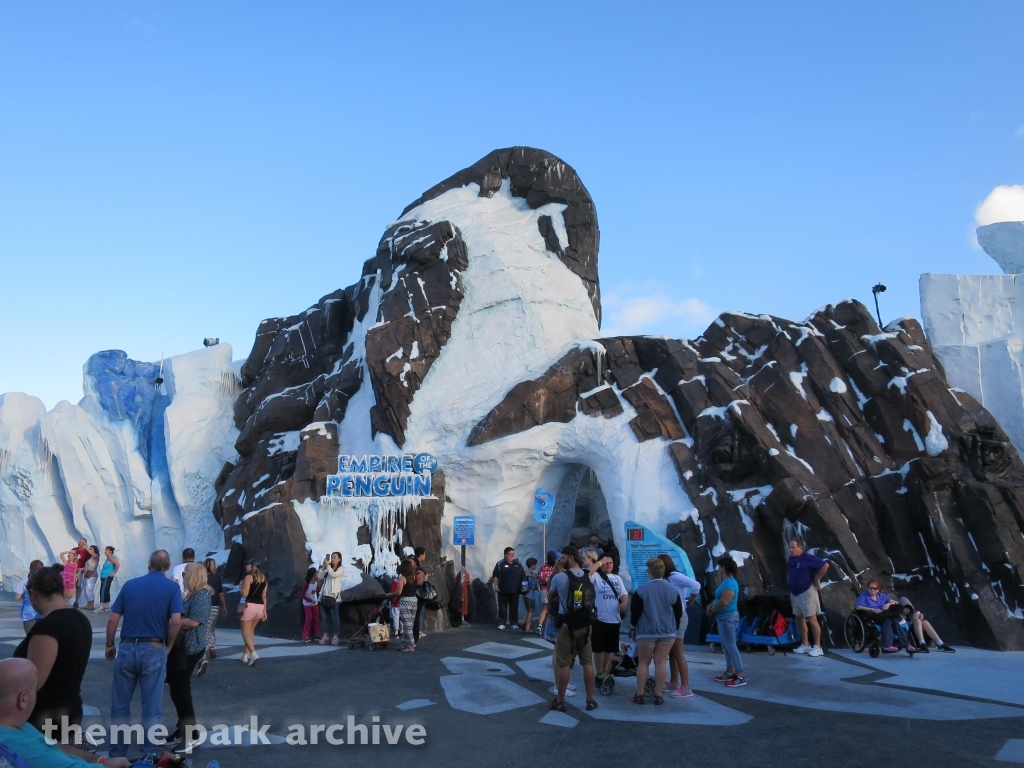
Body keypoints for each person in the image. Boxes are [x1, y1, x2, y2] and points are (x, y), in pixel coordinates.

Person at [104, 550, 183, 760]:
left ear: (149, 564)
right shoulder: (172, 588)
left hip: (128, 647)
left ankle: (116, 754)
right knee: (151, 706)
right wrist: (168, 646)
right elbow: (176, 621)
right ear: (167, 566)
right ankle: (147, 754)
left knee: (120, 705)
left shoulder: (130, 585)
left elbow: (113, 619)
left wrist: (110, 645)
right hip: (154, 647)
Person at [0, 658, 131, 768]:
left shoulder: (17, 725)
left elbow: (55, 747)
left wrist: (103, 761)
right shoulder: (19, 746)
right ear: (23, 699)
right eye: (35, 688)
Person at [12, 566, 92, 733]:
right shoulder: (80, 619)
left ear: (33, 593)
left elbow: (34, 682)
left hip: (45, 716)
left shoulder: (48, 627)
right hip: (70, 708)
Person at [166, 564, 211, 750]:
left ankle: (190, 734)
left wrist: (172, 621)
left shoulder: (201, 595)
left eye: (185, 574)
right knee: (178, 689)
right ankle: (183, 728)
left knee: (181, 690)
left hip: (189, 649)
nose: (183, 576)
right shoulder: (194, 594)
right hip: (186, 648)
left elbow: (194, 621)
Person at [548, 545, 598, 712]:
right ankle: (590, 700)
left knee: (564, 664)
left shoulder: (559, 577)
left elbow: (550, 597)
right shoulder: (588, 577)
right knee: (587, 663)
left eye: (563, 558)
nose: (561, 561)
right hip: (585, 625)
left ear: (570, 558)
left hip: (566, 625)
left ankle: (560, 701)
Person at [629, 557, 682, 705]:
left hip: (646, 632)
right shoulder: (673, 590)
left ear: (650, 573)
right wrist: (674, 627)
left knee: (643, 663)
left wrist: (633, 628)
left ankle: (639, 694)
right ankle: (658, 695)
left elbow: (635, 613)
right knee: (661, 663)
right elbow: (678, 612)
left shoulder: (641, 590)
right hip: (667, 632)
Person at [658, 554, 701, 698]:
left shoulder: (675, 576)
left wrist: (691, 601)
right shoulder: (666, 579)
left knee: (678, 650)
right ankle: (674, 682)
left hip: (679, 617)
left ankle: (686, 686)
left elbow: (696, 585)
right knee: (671, 650)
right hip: (670, 618)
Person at [588, 552, 627, 689]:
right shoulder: (597, 577)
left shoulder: (617, 578)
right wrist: (599, 562)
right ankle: (598, 673)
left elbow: (624, 594)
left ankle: (604, 672)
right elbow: (588, 573)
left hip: (614, 619)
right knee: (598, 648)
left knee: (608, 650)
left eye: (610, 562)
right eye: (606, 562)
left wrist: (624, 603)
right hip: (600, 618)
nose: (608, 564)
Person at [707, 555, 746, 687]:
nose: (718, 568)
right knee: (726, 646)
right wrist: (711, 605)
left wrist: (713, 609)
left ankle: (740, 676)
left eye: (719, 566)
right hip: (722, 618)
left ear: (723, 568)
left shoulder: (730, 583)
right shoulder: (725, 582)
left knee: (731, 646)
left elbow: (724, 601)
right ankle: (730, 671)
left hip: (728, 618)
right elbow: (719, 597)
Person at [787, 538, 829, 657]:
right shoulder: (791, 559)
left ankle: (818, 647)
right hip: (795, 593)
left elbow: (825, 565)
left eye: (793, 547)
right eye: (790, 547)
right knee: (799, 618)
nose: (791, 550)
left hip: (807, 591)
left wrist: (817, 578)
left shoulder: (808, 557)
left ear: (800, 548)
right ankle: (806, 645)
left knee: (812, 619)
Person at [855, 580, 915, 654]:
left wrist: (888, 604)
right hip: (872, 615)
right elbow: (858, 607)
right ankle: (895, 644)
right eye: (870, 588)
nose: (872, 590)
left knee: (890, 620)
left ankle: (905, 645)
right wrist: (872, 609)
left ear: (878, 589)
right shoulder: (864, 595)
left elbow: (894, 601)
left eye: (874, 588)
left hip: (884, 614)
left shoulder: (881, 595)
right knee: (892, 617)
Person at [239, 559, 268, 666]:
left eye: (248, 565)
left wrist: (240, 587)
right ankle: (244, 656)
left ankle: (253, 654)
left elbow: (245, 594)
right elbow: (264, 596)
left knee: (245, 633)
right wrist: (265, 610)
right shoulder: (263, 578)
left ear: (252, 567)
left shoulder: (249, 577)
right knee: (250, 632)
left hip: (249, 606)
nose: (246, 566)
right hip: (260, 607)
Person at [492, 547, 525, 630]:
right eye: (510, 554)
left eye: (513, 554)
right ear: (505, 554)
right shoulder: (500, 564)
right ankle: (501, 623)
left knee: (514, 607)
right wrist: (496, 586)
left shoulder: (518, 564)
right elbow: (495, 576)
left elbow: (523, 575)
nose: (511, 556)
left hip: (515, 590)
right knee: (502, 608)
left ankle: (514, 623)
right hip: (503, 589)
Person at [317, 552, 344, 646]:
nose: (332, 559)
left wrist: (328, 566)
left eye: (334, 557)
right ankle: (325, 636)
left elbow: (333, 574)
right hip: (324, 595)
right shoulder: (328, 568)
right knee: (324, 618)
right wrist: (324, 567)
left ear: (339, 559)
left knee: (335, 617)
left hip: (334, 597)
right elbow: (319, 577)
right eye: (331, 557)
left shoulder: (341, 569)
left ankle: (335, 636)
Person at [201, 558, 226, 662]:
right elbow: (220, 594)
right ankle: (211, 647)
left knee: (204, 629)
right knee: (211, 628)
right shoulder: (217, 578)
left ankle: (202, 652)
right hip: (215, 606)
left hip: (204, 605)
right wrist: (224, 606)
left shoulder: (202, 578)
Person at [14, 561, 44, 635]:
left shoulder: (24, 581)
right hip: (42, 611)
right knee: (41, 636)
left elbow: (17, 597)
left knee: (30, 636)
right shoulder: (44, 581)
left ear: (30, 568)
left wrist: (25, 595)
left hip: (28, 612)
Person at [396, 559, 418, 652]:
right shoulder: (414, 577)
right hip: (414, 600)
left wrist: (390, 594)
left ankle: (411, 645)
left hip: (405, 601)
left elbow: (398, 592)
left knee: (407, 625)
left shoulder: (402, 578)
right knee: (410, 624)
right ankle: (403, 644)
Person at [535, 552, 556, 635]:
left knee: (544, 609)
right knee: (552, 609)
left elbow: (538, 576)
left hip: (544, 589)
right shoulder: (555, 566)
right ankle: (550, 626)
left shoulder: (542, 566)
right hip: (553, 589)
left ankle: (539, 626)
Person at [95, 547, 119, 613]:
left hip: (107, 577)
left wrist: (114, 572)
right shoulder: (108, 558)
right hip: (105, 576)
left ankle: (101, 606)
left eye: (107, 550)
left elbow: (117, 564)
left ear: (110, 551)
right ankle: (106, 605)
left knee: (103, 590)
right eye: (105, 550)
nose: (105, 551)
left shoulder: (110, 558)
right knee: (106, 590)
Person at [412, 547, 428, 644]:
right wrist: (424, 578)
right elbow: (419, 582)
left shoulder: (416, 565)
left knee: (417, 614)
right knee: (418, 614)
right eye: (424, 554)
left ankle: (416, 633)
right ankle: (416, 633)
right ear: (421, 555)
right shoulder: (417, 566)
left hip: (414, 594)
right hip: (417, 594)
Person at [300, 567, 321, 642]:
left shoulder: (316, 582)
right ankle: (305, 635)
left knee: (316, 619)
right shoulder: (307, 584)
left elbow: (315, 590)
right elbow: (302, 595)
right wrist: (309, 600)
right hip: (307, 604)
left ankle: (317, 635)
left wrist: (320, 590)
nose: (316, 576)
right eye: (315, 574)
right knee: (309, 618)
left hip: (315, 603)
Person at [520, 557, 540, 633]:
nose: (535, 566)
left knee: (529, 610)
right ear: (532, 565)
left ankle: (522, 622)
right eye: (535, 565)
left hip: (525, 594)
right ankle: (527, 627)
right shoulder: (532, 574)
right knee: (531, 611)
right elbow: (533, 585)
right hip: (530, 595)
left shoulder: (525, 572)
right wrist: (537, 588)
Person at [69, 540, 89, 610]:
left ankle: (76, 601)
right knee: (70, 585)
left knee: (78, 585)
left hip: (80, 570)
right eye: (79, 542)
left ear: (84, 543)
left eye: (81, 542)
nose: (79, 543)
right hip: (72, 569)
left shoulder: (86, 552)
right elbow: (70, 558)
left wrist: (83, 569)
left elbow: (88, 562)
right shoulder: (74, 549)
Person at [81, 547, 100, 611]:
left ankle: (91, 604)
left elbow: (93, 554)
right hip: (87, 574)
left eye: (91, 549)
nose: (89, 550)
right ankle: (88, 604)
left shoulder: (96, 556)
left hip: (92, 575)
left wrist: (85, 547)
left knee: (89, 589)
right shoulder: (90, 558)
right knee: (86, 590)